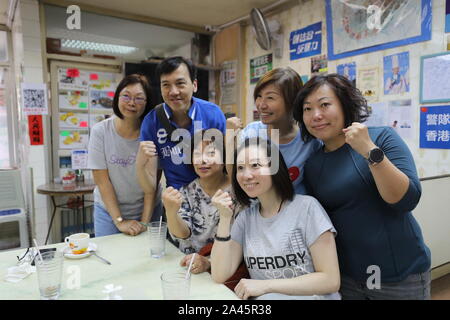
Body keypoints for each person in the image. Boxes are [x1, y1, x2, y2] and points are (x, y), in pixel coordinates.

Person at [293, 73, 431, 300]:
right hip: (348, 277)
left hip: (398, 275)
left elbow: (407, 199)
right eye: (307, 109)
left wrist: (368, 150)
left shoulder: (381, 137)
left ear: (345, 105)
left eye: (325, 105)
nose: (315, 115)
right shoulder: (314, 163)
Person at [211, 137, 341, 300]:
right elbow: (219, 274)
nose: (246, 175)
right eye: (240, 168)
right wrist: (224, 218)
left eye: (255, 165)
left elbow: (330, 280)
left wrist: (265, 286)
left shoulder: (307, 208)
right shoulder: (245, 219)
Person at [137, 56, 226, 194]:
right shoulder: (151, 122)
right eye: (166, 85)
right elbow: (150, 186)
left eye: (180, 83)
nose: (173, 92)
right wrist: (140, 162)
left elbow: (226, 164)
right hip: (177, 202)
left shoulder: (213, 114)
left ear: (194, 85)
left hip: (215, 198)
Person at [88, 74, 162, 237]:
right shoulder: (100, 131)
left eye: (139, 98)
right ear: (117, 97)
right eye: (126, 96)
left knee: (148, 258)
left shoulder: (154, 133)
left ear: (147, 102)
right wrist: (119, 221)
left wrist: (144, 221)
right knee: (111, 257)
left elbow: (153, 183)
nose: (131, 103)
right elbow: (102, 181)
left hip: (148, 208)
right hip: (109, 211)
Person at [227, 67, 321, 194]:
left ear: (292, 101)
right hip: (258, 209)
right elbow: (235, 176)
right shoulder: (252, 132)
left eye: (270, 98)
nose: (261, 105)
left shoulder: (309, 140)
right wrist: (229, 138)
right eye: (259, 96)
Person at [162, 129, 242, 276]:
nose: (202, 160)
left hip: (226, 269)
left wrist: (209, 262)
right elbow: (183, 234)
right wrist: (171, 213)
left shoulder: (240, 192)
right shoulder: (186, 191)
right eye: (197, 154)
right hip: (189, 268)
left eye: (211, 153)